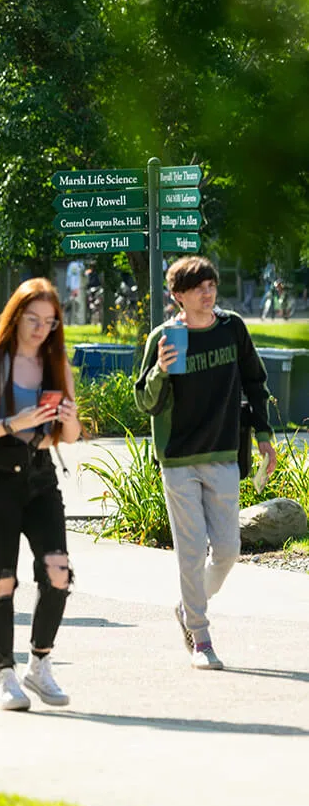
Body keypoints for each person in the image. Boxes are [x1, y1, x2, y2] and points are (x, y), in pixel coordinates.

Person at [135, 256, 275, 671]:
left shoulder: (232, 329)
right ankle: (201, 636)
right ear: (178, 296)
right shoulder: (166, 336)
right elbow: (146, 401)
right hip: (178, 458)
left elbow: (255, 380)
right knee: (191, 553)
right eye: (198, 287)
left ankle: (187, 605)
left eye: (211, 285)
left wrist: (265, 435)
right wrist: (160, 369)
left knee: (229, 550)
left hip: (223, 452)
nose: (208, 293)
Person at [0, 277, 81, 711]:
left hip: (40, 479)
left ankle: (39, 663)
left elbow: (67, 437)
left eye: (49, 322)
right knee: (3, 579)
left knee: (58, 573)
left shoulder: (57, 366)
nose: (40, 329)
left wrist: (67, 417)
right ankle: (4, 673)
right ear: (15, 317)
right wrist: (18, 420)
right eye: (33, 319)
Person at [64, 260, 85, 325]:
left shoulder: (80, 264)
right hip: (76, 288)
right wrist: (73, 288)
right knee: (75, 306)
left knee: (76, 306)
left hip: (78, 288)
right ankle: (73, 322)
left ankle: (75, 322)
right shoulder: (74, 265)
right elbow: (72, 277)